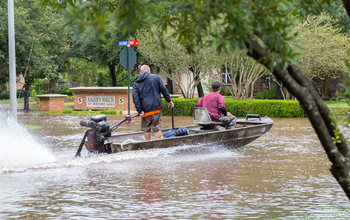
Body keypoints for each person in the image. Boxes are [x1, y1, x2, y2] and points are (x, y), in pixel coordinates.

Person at [132, 65, 174, 140]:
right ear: (148, 70)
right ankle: (157, 146)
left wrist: (139, 110)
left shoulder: (136, 82)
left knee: (146, 129)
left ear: (141, 72)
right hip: (156, 108)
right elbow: (164, 90)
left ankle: (148, 146)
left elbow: (135, 97)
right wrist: (169, 100)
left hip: (144, 111)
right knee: (157, 128)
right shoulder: (156, 77)